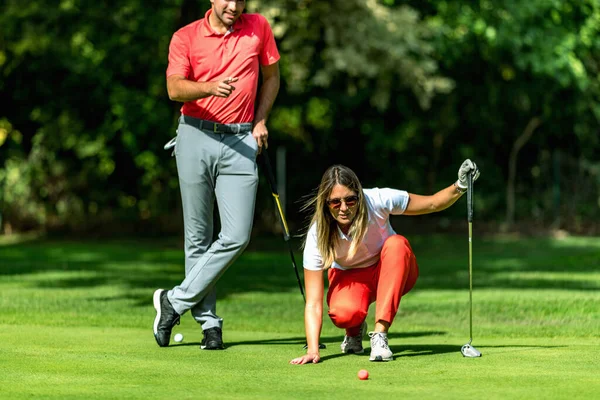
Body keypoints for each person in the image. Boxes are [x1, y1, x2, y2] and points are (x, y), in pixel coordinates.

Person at [153, 0, 280, 350]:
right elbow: (174, 88)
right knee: (197, 237)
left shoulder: (258, 27)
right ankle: (209, 324)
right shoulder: (186, 36)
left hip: (241, 139)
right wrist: (210, 87)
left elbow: (272, 77)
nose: (234, 6)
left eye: (241, 0)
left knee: (237, 235)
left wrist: (261, 119)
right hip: (195, 135)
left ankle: (174, 301)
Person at [289, 160, 480, 364]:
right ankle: (353, 332)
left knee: (397, 244)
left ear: (359, 195)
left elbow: (432, 203)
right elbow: (314, 303)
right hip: (350, 278)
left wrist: (460, 185)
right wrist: (313, 350)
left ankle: (379, 336)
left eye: (351, 200)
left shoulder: (378, 199)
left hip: (391, 269)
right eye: (335, 202)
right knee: (343, 313)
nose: (343, 208)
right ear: (326, 203)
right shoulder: (317, 232)